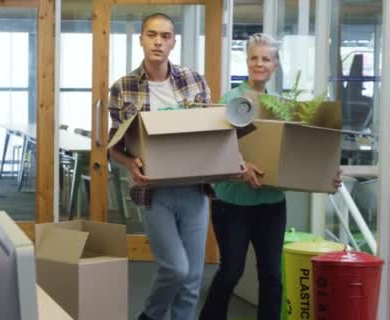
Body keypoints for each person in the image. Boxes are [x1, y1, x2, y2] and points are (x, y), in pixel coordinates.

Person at [199, 33, 342, 320]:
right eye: (254, 58)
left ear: (275, 65)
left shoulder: (283, 108)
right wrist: (242, 163)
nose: (259, 64)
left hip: (271, 205)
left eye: (266, 59)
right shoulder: (230, 100)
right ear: (247, 61)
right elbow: (214, 148)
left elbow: (299, 154)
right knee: (231, 272)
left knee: (272, 275)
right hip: (232, 204)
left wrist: (326, 173)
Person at [108, 13, 216, 320]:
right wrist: (131, 163)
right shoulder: (123, 87)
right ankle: (152, 315)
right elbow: (113, 146)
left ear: (173, 42)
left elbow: (209, 132)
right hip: (154, 192)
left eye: (166, 36)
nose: (158, 41)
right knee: (176, 269)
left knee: (192, 280)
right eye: (152, 35)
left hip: (194, 189)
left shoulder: (194, 80)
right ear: (140, 39)